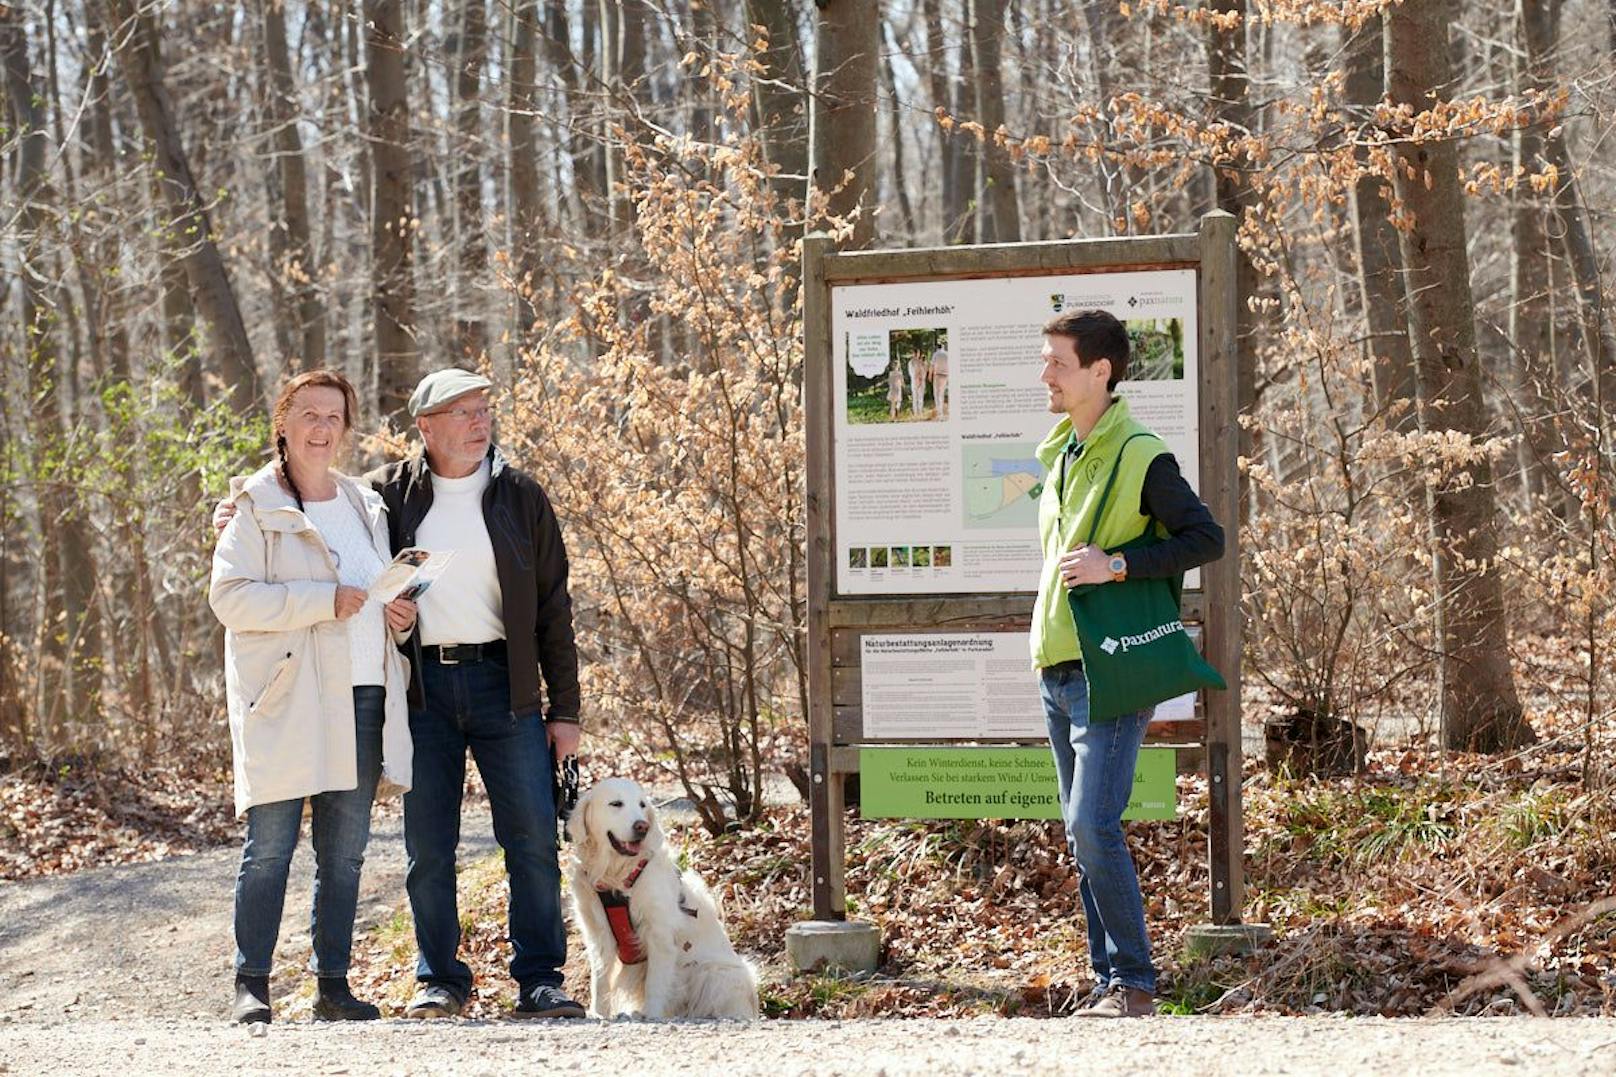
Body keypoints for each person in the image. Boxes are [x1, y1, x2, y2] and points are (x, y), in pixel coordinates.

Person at [1029, 310, 1224, 1018]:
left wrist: (1117, 564)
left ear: (1100, 371)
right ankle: (1110, 981)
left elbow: (1206, 538)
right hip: (1057, 668)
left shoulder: (1142, 454)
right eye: (1046, 359)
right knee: (1084, 830)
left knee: (1092, 823)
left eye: (1058, 361)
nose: (1045, 373)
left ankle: (1136, 984)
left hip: (1107, 667)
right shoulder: (1063, 452)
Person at [376, 369, 585, 1021]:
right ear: (426, 427)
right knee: (428, 846)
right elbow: (347, 566)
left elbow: (555, 609)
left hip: (507, 685)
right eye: (461, 411)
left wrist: (567, 711)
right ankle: (439, 977)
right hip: (423, 691)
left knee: (529, 836)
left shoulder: (522, 497)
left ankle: (541, 978)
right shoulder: (388, 499)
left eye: (483, 408)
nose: (478, 420)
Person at [209, 370, 417, 1025]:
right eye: (308, 414)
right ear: (283, 422)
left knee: (345, 850)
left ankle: (333, 984)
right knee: (269, 845)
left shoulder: (366, 504)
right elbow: (231, 597)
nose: (321, 427)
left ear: (346, 427)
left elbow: (372, 589)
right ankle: (252, 984)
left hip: (363, 693)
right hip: (289, 695)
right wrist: (318, 602)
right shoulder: (255, 503)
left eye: (334, 416)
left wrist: (397, 616)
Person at [930, 336, 950, 419]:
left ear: (936, 347)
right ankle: (947, 410)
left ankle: (940, 412)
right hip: (946, 375)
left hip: (938, 376)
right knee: (945, 393)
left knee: (937, 394)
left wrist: (929, 375)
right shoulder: (947, 354)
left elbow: (932, 366)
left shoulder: (935, 354)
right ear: (943, 347)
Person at [908, 346, 929, 418]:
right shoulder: (913, 362)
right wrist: (918, 377)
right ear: (914, 353)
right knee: (917, 397)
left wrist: (920, 377)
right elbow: (912, 373)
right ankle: (917, 412)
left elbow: (925, 370)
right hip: (916, 381)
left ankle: (918, 412)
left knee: (918, 397)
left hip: (919, 381)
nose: (918, 354)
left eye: (919, 353)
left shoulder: (920, 362)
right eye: (917, 353)